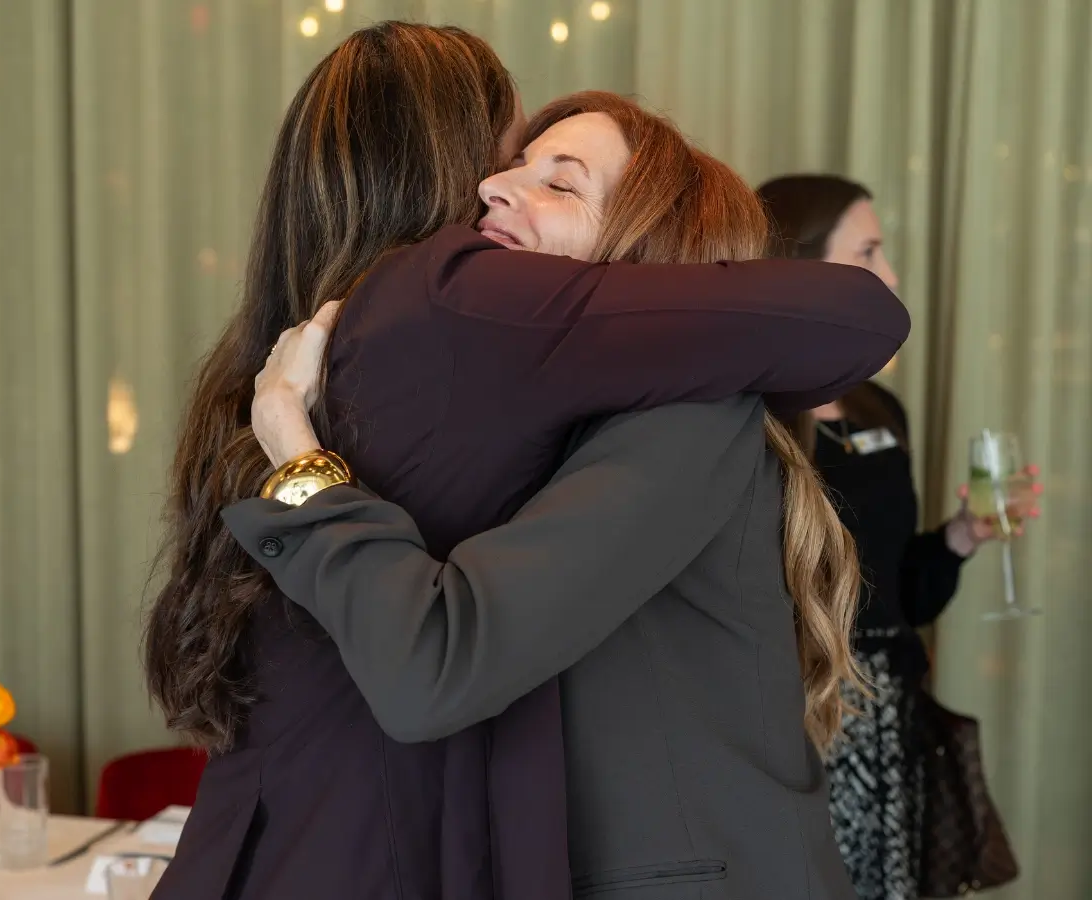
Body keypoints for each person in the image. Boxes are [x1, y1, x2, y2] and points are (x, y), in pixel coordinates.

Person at [144, 23, 907, 900]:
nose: (492, 187)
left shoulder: (687, 420)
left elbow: (440, 659)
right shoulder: (523, 407)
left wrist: (301, 466)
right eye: (511, 164)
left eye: (559, 181)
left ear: (642, 270)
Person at [757, 174, 1043, 900]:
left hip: (892, 714)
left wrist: (961, 537)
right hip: (800, 715)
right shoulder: (755, 418)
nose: (888, 275)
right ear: (802, 267)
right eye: (867, 253)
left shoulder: (878, 408)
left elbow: (901, 597)